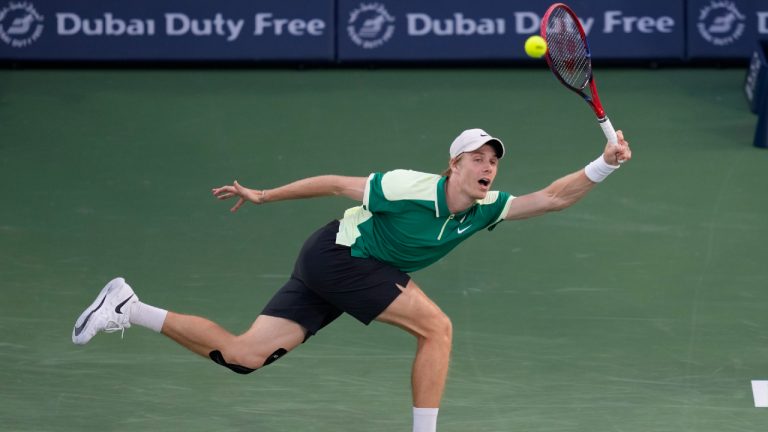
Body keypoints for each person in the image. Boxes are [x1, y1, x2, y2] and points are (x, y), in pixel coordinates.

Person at [72, 128, 632, 432]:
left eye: (494, 160)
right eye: (476, 158)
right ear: (453, 165)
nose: (488, 166)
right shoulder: (413, 186)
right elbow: (339, 184)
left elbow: (554, 197)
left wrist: (603, 163)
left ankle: (128, 306)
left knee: (243, 356)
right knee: (437, 329)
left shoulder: (486, 208)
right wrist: (264, 195)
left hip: (340, 268)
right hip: (341, 257)